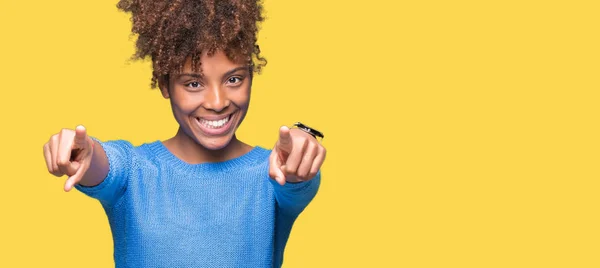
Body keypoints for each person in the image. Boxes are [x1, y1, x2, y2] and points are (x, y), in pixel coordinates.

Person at [41, 0, 326, 267]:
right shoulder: (134, 171)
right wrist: (86, 154)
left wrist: (301, 155)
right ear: (165, 84)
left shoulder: (273, 173)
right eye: (193, 84)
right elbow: (105, 165)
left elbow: (296, 177)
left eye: (234, 79)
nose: (217, 102)